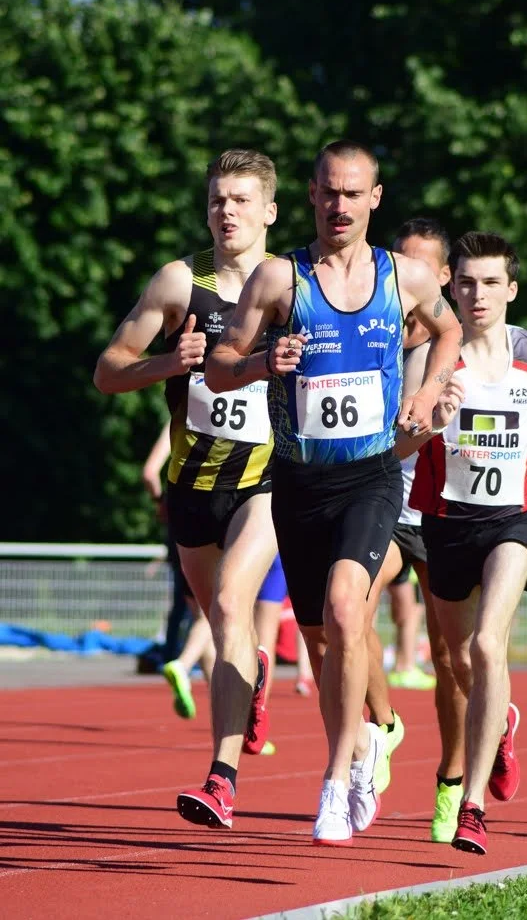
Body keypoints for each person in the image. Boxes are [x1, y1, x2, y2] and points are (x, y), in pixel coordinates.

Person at [207, 139, 463, 846]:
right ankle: (360, 746)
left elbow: (449, 330)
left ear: (373, 198)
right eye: (328, 192)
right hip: (298, 480)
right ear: (311, 196)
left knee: (350, 609)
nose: (339, 205)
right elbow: (221, 368)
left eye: (353, 193)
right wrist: (262, 360)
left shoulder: (403, 276)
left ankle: (337, 776)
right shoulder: (275, 280)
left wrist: (432, 385)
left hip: (371, 475)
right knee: (322, 641)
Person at [94, 148, 280, 830]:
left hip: (265, 479)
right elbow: (108, 372)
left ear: (268, 210)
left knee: (231, 605)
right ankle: (251, 675)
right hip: (191, 486)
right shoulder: (178, 282)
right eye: (215, 200)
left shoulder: (293, 287)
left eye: (239, 199)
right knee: (223, 618)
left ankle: (221, 778)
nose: (225, 212)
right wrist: (170, 361)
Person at [409, 230, 527, 855]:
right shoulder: (429, 359)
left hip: (517, 516)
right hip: (447, 520)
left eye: (491, 282)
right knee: (460, 662)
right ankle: (503, 723)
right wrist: (430, 420)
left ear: (511, 289)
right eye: (466, 282)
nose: (478, 293)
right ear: (449, 287)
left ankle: (473, 806)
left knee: (490, 644)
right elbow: (399, 446)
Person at [364, 217, 468, 843]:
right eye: (397, 264)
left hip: (446, 515)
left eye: (420, 268)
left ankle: (454, 778)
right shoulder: (372, 336)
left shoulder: (459, 350)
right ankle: (384, 719)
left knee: (455, 660)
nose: (406, 279)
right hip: (383, 507)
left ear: (444, 280)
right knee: (347, 609)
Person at [142, 419, 215, 718]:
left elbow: (149, 473)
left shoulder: (179, 416)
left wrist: (160, 502)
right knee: (219, 613)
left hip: (179, 516)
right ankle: (183, 665)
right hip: (217, 505)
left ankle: (227, 717)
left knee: (203, 616)